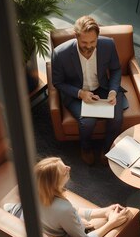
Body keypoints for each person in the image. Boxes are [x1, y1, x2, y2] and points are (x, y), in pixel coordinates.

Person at [5, 157, 131, 237]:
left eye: (64, 164)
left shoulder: (35, 191)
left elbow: (74, 211)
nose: (69, 167)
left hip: (40, 224)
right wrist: (112, 223)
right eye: (64, 171)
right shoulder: (62, 208)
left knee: (102, 218)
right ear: (54, 183)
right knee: (117, 219)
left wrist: (104, 211)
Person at [51, 15, 127, 166]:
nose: (89, 46)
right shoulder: (60, 54)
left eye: (93, 41)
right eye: (84, 42)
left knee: (117, 118)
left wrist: (113, 91)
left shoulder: (108, 45)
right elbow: (57, 82)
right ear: (76, 36)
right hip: (76, 93)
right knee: (87, 122)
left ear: (98, 37)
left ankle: (107, 149)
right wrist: (80, 93)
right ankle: (85, 148)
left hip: (103, 88)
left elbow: (116, 70)